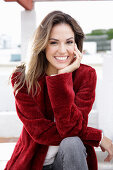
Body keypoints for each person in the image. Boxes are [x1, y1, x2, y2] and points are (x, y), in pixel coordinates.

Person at [5, 11, 113, 170]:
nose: (62, 51)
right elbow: (40, 132)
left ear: (76, 44)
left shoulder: (86, 76)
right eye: (54, 42)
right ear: (42, 45)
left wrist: (62, 77)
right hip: (32, 163)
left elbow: (72, 129)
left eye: (69, 42)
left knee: (73, 142)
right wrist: (98, 137)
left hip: (69, 160)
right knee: (73, 138)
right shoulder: (22, 78)